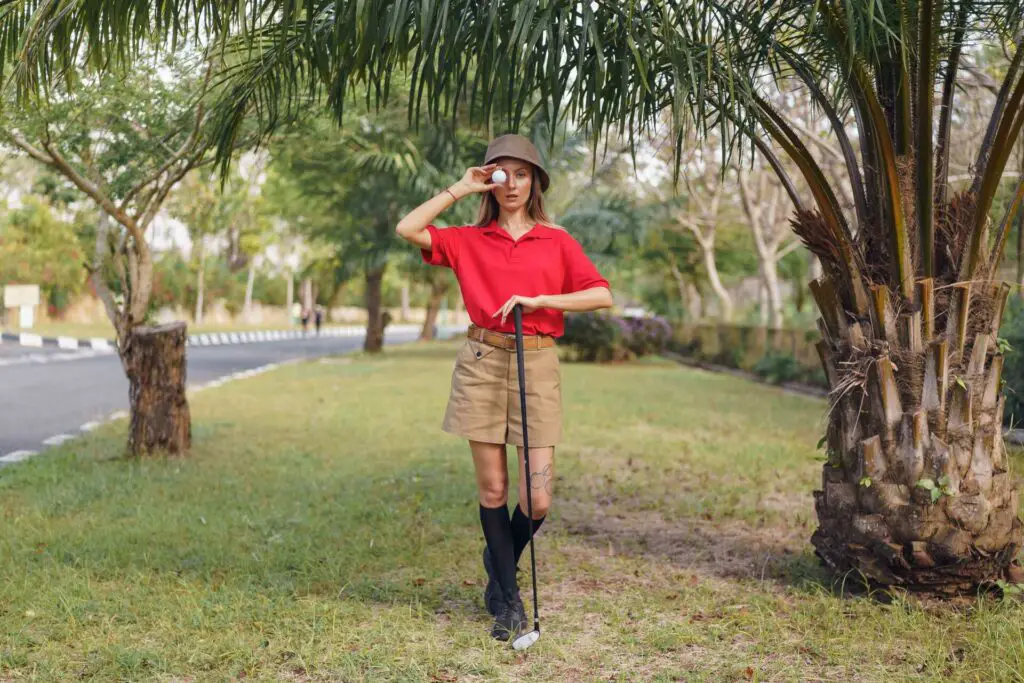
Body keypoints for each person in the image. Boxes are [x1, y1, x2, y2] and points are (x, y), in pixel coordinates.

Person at [395, 134, 613, 642]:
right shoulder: (469, 240)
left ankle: (498, 562)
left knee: (537, 500)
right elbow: (408, 227)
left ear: (535, 180)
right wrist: (461, 187)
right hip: (481, 360)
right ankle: (508, 601)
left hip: (536, 363)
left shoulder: (556, 240)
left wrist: (541, 300)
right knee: (493, 489)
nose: (511, 183)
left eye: (521, 173)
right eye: (501, 173)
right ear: (489, 181)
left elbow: (601, 294)